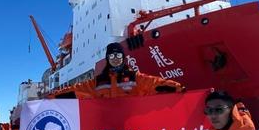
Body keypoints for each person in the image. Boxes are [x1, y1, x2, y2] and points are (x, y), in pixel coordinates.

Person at [52, 42, 182, 99]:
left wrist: (179, 88)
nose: (115, 59)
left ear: (123, 58)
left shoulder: (134, 78)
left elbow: (156, 84)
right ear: (108, 58)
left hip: (130, 127)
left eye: (118, 56)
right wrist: (54, 96)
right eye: (112, 56)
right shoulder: (98, 82)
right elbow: (77, 90)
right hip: (106, 129)